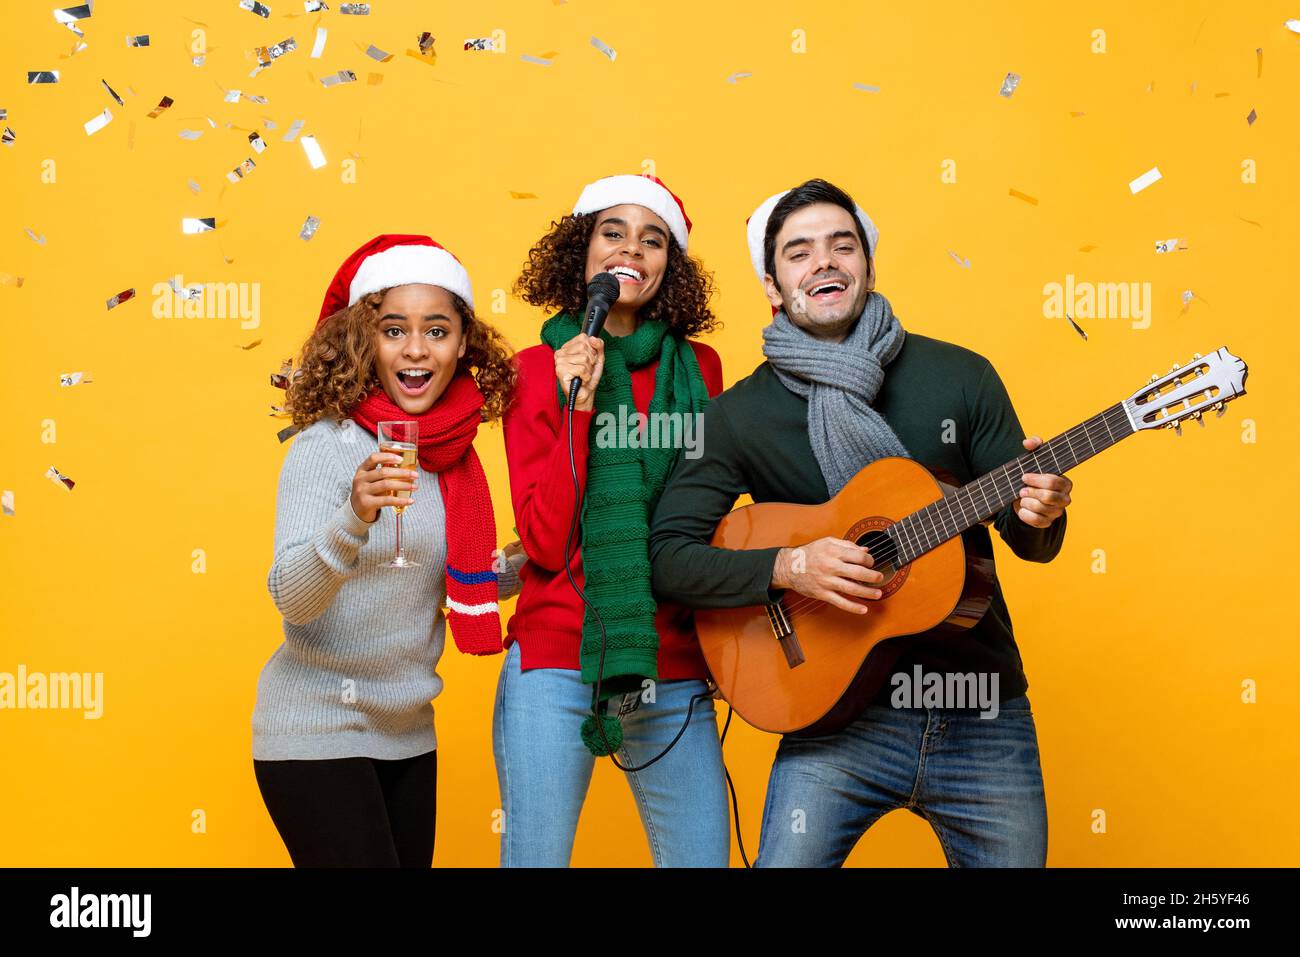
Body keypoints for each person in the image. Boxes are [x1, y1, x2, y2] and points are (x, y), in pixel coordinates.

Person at [648, 179, 1074, 867]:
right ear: (771, 281)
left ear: (868, 265)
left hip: (982, 712)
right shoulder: (740, 415)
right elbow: (667, 556)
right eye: (799, 252)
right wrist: (787, 567)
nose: (824, 262)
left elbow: (1028, 536)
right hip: (832, 719)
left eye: (842, 246)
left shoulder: (960, 377)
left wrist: (1041, 511)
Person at [252, 234, 518, 867]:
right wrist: (355, 514)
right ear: (364, 342)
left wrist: (520, 568)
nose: (417, 349)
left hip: (407, 734)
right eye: (394, 330)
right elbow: (292, 599)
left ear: (464, 344)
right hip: (315, 731)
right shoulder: (327, 446)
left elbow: (443, 573)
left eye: (437, 329)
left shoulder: (451, 457)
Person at [495, 174, 730, 867]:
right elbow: (543, 540)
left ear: (670, 266)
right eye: (613, 232)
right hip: (555, 654)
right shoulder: (535, 372)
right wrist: (577, 405)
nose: (632, 249)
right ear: (581, 251)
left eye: (652, 238)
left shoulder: (701, 371)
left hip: (672, 658)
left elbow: (705, 514)